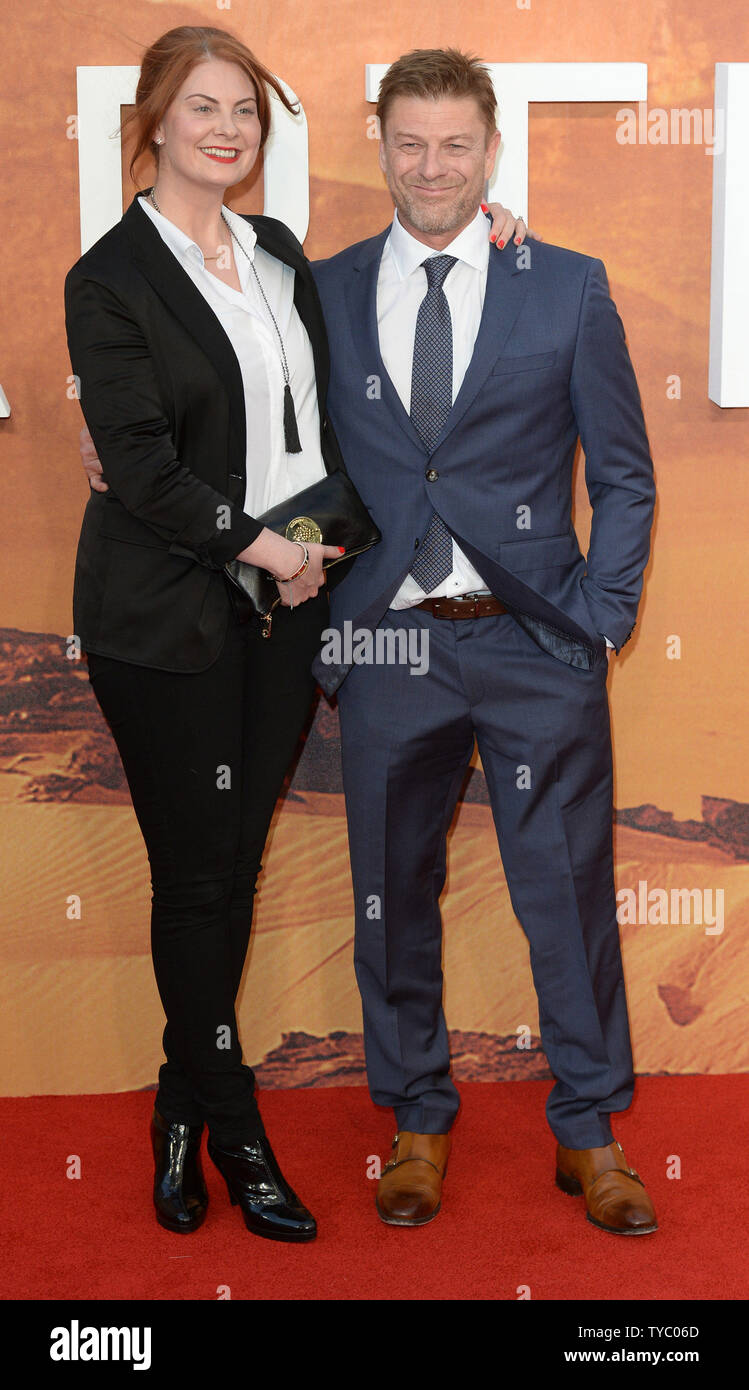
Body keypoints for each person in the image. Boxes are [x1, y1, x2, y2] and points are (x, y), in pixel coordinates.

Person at [68, 27, 523, 1241]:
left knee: (233, 874)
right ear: (154, 121)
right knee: (194, 876)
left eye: (246, 114)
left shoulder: (274, 252)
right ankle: (237, 1132)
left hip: (285, 615)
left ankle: (176, 1105)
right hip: (167, 619)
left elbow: (331, 406)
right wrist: (260, 546)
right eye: (202, 107)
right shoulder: (107, 278)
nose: (227, 130)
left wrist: (501, 233)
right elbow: (144, 470)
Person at [307, 48, 658, 1235]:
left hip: (531, 645)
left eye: (455, 144)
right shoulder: (327, 290)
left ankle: (589, 1133)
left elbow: (621, 475)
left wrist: (600, 622)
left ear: (491, 150)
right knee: (387, 897)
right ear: (380, 145)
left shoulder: (562, 285)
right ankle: (413, 1119)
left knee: (565, 896)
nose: (431, 167)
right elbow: (274, 441)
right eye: (409, 142)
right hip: (389, 650)